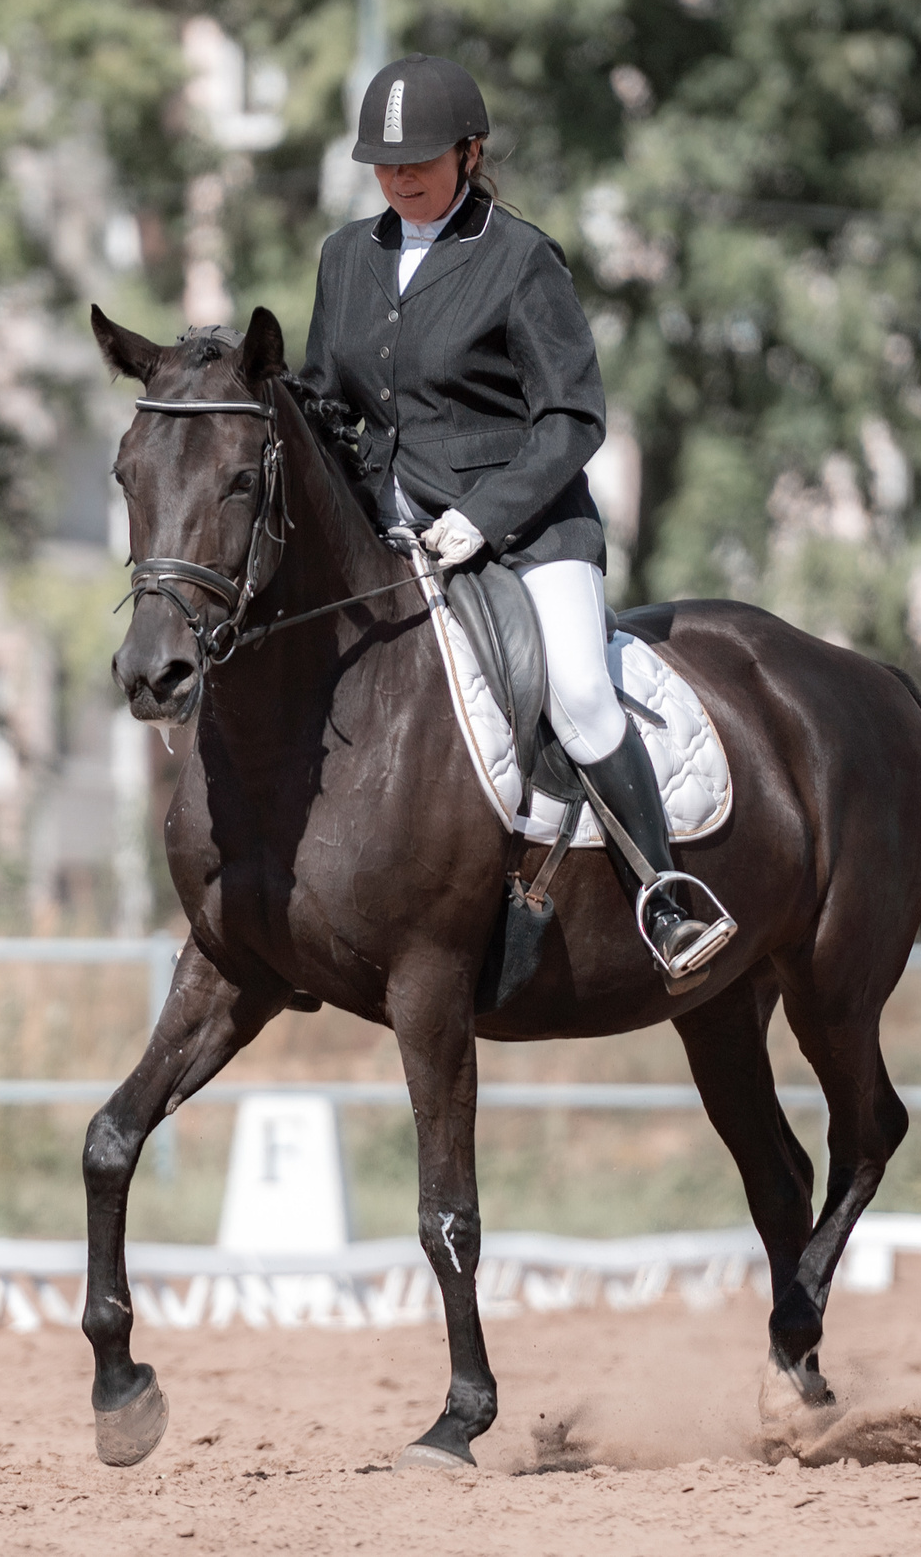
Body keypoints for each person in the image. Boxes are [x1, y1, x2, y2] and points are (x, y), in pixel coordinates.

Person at [294, 53, 726, 981]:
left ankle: (666, 895)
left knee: (575, 687)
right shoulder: (345, 259)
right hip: (396, 534)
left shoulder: (519, 259)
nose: (400, 177)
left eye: (420, 161)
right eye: (384, 163)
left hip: (528, 532)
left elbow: (573, 417)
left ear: (471, 151)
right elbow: (327, 402)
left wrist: (484, 517)